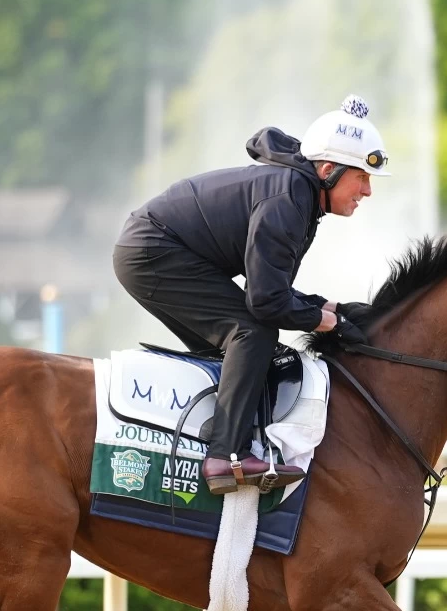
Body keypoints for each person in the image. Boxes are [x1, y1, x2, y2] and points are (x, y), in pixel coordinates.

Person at [113, 94, 388, 494]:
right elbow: (266, 304)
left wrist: (331, 308)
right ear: (328, 170)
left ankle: (208, 443)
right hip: (153, 250)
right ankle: (225, 457)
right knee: (251, 334)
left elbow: (271, 288)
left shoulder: (299, 193)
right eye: (361, 177)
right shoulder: (290, 198)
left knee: (242, 343)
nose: (367, 191)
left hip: (152, 248)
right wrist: (327, 322)